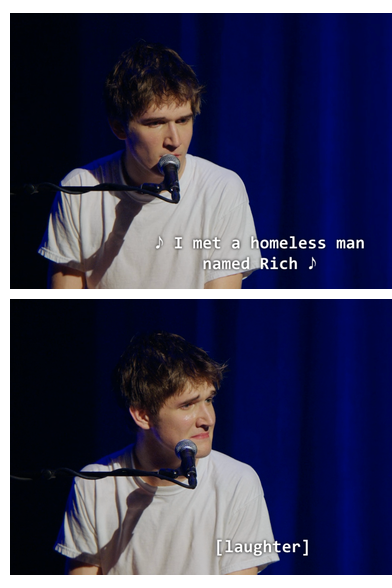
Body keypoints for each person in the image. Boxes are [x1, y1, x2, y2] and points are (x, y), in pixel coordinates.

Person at [38, 42, 262, 289]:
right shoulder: (79, 188)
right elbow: (66, 298)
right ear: (119, 127)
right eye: (156, 123)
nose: (174, 140)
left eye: (183, 120)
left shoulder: (221, 188)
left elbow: (219, 300)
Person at [55, 332, 279, 574]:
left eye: (209, 400)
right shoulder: (94, 483)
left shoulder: (237, 481)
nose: (208, 419)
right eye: (188, 405)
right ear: (143, 415)